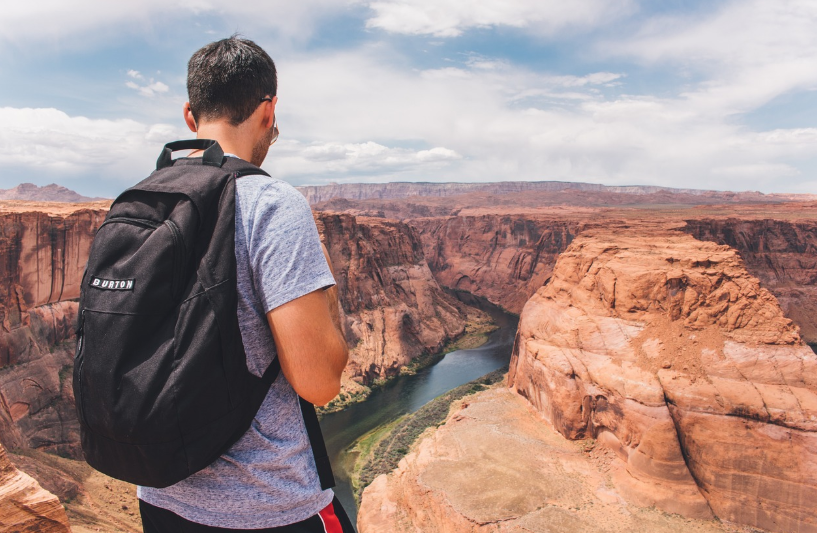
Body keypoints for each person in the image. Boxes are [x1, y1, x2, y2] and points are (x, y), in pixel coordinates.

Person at [136, 36, 355, 533]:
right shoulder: (272, 204)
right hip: (268, 507)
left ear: (190, 116)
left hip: (160, 496)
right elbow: (320, 383)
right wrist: (328, 297)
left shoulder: (142, 205)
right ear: (268, 110)